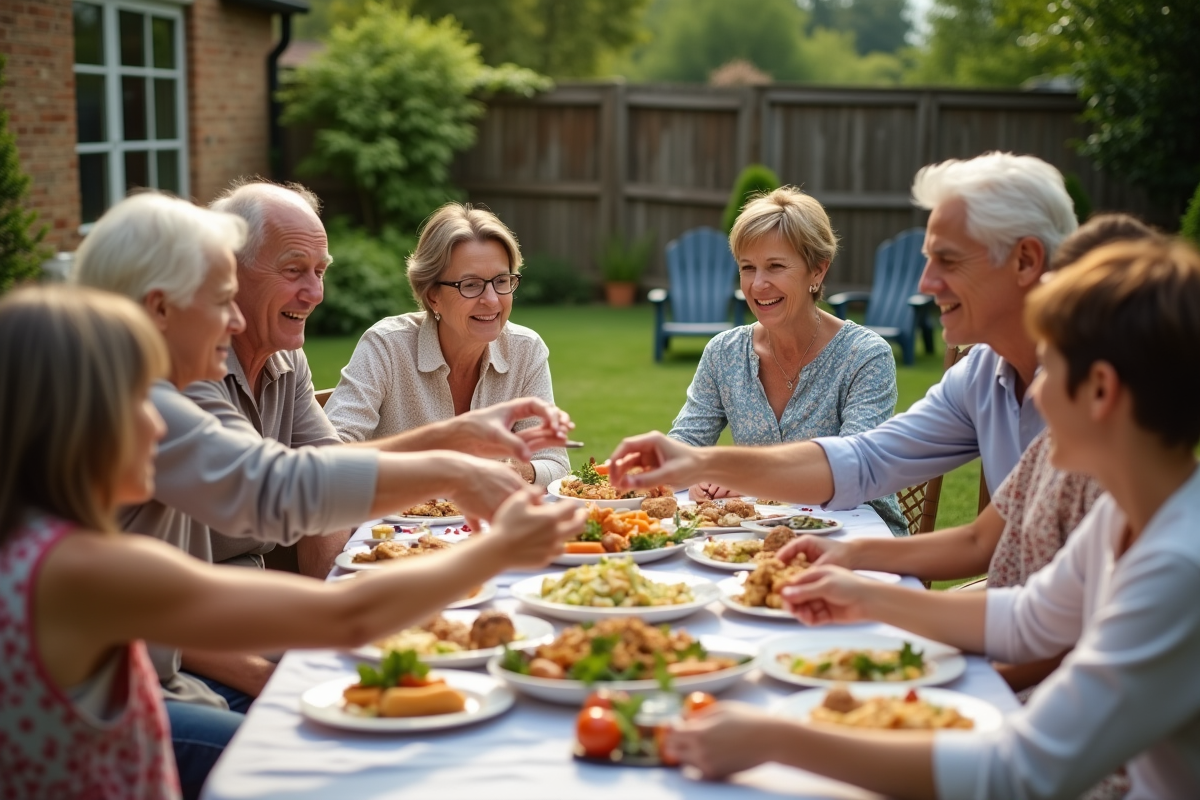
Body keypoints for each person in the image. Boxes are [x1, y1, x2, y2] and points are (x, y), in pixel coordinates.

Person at [664, 238, 1200, 799]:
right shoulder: (1125, 512)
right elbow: (1027, 620)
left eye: (1051, 366)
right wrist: (865, 596)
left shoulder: (1177, 569)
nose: (1033, 388)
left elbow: (1019, 774)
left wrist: (777, 739)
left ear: (1100, 391)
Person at [0, 285, 582, 800]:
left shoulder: (43, 547)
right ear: (72, 421)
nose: (162, 426)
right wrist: (497, 549)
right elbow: (347, 615)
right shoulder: (84, 570)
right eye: (141, 402)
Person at [610, 151, 1078, 523]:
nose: (924, 283)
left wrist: (717, 469)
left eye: (949, 261)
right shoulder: (980, 376)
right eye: (747, 268)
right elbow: (865, 461)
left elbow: (861, 477)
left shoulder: (1095, 393)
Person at [783, 213, 1159, 593]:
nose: (926, 283)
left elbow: (1038, 627)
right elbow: (987, 551)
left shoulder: (1155, 546)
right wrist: (854, 561)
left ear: (1102, 388)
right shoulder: (1053, 453)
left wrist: (869, 594)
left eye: (1051, 367)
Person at [202, 185, 570, 572]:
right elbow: (302, 483)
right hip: (202, 590)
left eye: (320, 271)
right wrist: (453, 451)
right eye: (294, 270)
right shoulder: (181, 377)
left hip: (251, 576)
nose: (316, 293)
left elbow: (326, 469)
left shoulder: (287, 360)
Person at [667, 187, 906, 535]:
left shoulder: (865, 356)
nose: (758, 284)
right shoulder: (725, 353)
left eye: (775, 266)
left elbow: (854, 469)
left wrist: (748, 480)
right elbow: (684, 447)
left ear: (817, 272)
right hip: (757, 537)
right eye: (747, 268)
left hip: (856, 536)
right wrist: (697, 473)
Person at [324, 202, 570, 487]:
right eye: (471, 285)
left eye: (501, 280)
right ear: (432, 296)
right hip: (391, 527)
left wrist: (520, 471)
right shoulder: (387, 347)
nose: (492, 299)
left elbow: (555, 463)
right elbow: (329, 457)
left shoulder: (525, 350)